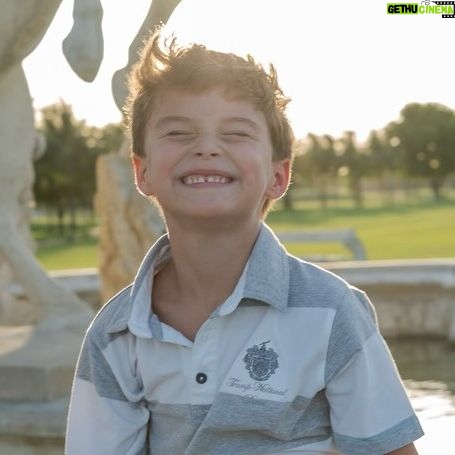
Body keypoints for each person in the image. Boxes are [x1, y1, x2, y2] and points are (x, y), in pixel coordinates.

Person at [65, 26, 424, 455]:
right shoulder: (115, 334)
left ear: (278, 175)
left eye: (236, 133)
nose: (207, 148)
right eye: (178, 132)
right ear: (142, 172)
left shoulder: (330, 311)